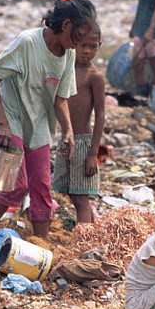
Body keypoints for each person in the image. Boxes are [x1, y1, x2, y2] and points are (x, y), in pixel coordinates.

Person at [0, 0, 96, 248]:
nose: (79, 44)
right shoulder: (27, 42)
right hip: (10, 117)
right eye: (78, 37)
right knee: (15, 187)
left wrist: (68, 130)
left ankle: (40, 247)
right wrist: (3, 123)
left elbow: (60, 99)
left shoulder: (68, 54)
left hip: (38, 121)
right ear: (65, 25)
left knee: (42, 187)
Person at [52, 23, 105, 224]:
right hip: (66, 140)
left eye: (93, 46)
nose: (87, 51)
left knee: (81, 199)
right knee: (73, 195)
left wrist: (93, 154)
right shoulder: (65, 67)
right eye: (83, 45)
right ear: (74, 43)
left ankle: (84, 239)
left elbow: (100, 116)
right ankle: (91, 232)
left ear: (99, 46)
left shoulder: (94, 76)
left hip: (83, 142)